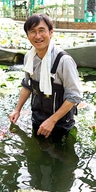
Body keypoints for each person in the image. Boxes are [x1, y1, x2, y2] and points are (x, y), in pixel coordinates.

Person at [9, 13, 82, 141]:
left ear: (51, 32)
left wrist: (52, 121)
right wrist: (17, 110)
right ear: (27, 35)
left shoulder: (63, 60)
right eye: (32, 32)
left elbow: (74, 96)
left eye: (41, 30)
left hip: (60, 123)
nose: (37, 36)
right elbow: (27, 85)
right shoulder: (29, 57)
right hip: (38, 118)